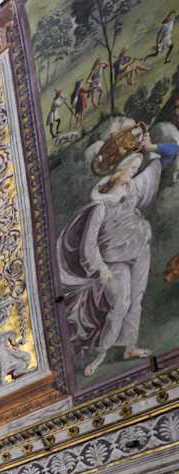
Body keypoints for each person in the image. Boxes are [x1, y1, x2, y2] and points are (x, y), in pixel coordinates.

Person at [57, 122, 179, 376]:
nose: (135, 170)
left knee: (137, 298)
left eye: (136, 167)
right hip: (116, 260)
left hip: (139, 247)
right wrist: (100, 269)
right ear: (119, 170)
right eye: (131, 167)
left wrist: (150, 147)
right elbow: (88, 244)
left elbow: (172, 151)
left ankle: (129, 346)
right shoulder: (100, 204)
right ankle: (100, 352)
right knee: (120, 303)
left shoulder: (134, 188)